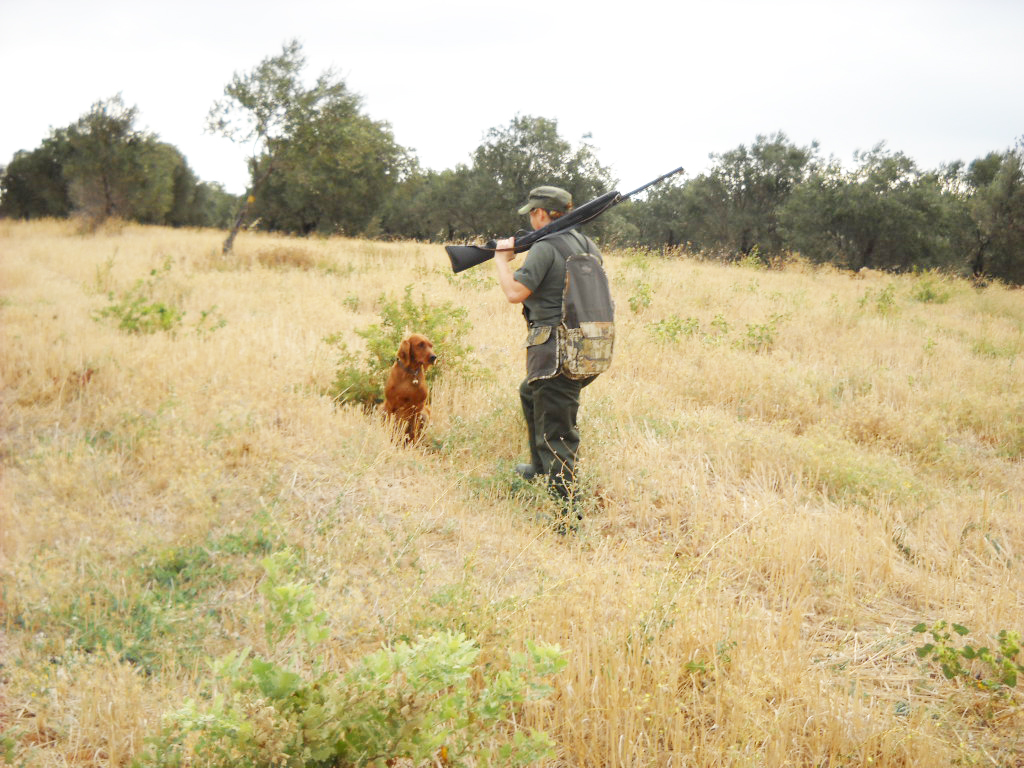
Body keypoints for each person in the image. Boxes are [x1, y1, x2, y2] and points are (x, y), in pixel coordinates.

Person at [493, 185, 603, 531]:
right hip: (587, 349)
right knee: (530, 392)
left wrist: (501, 260)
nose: (530, 217)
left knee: (557, 435)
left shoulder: (545, 246)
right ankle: (539, 469)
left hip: (555, 353)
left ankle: (566, 519)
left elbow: (515, 292)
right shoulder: (588, 245)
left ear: (541, 213)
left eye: (532, 212)